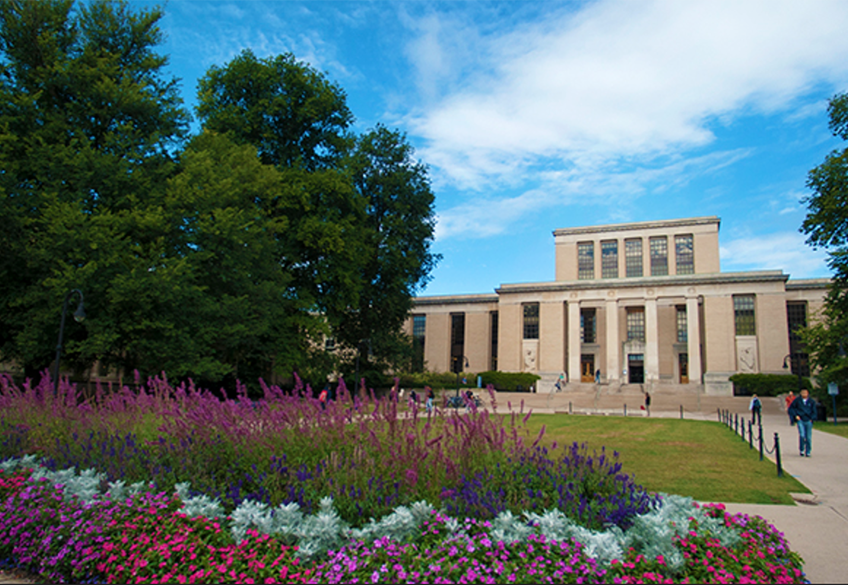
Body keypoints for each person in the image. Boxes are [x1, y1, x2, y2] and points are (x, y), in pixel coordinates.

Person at [788, 388, 817, 457]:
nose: (804, 394)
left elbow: (814, 411)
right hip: (800, 419)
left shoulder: (811, 402)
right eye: (803, 393)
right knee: (802, 435)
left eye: (805, 393)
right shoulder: (797, 401)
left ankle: (808, 451)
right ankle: (801, 449)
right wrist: (796, 415)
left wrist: (812, 418)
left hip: (808, 420)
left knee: (808, 437)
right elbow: (791, 408)